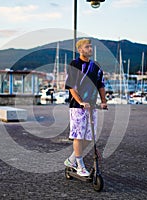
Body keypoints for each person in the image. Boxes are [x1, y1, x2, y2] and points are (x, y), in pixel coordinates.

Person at [64, 38, 107, 176]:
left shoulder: (96, 66)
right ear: (80, 50)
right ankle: (80, 165)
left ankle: (72, 160)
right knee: (78, 136)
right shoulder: (75, 64)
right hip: (77, 107)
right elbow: (71, 86)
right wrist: (80, 101)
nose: (90, 49)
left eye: (91, 46)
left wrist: (104, 101)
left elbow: (101, 85)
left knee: (89, 138)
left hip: (92, 106)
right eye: (87, 47)